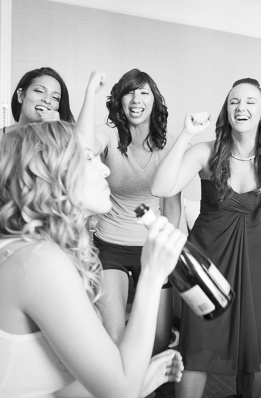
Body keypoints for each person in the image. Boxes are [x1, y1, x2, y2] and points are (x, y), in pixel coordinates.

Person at [0, 120, 185, 398]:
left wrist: (141, 380)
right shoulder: (37, 262)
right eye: (90, 158)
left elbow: (60, 387)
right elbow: (120, 391)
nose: (105, 169)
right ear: (51, 174)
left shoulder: (30, 250)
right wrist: (153, 275)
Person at [150, 78, 261, 398]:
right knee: (197, 345)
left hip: (253, 260)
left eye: (249, 102)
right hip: (206, 258)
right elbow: (161, 188)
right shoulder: (205, 152)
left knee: (252, 347)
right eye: (233, 102)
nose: (240, 107)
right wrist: (187, 134)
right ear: (226, 110)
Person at [76, 70, 181, 354]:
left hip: (152, 248)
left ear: (154, 101)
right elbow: (82, 147)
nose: (136, 100)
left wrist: (168, 246)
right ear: (119, 100)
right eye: (129, 92)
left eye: (144, 92)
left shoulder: (169, 143)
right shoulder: (108, 133)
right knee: (114, 337)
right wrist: (89, 93)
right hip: (111, 246)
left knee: (159, 341)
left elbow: (172, 204)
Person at [0, 67, 74, 212]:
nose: (47, 100)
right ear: (21, 96)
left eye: (55, 98)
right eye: (39, 91)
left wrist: (58, 134)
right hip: (2, 231)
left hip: (48, 232)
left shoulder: (63, 144)